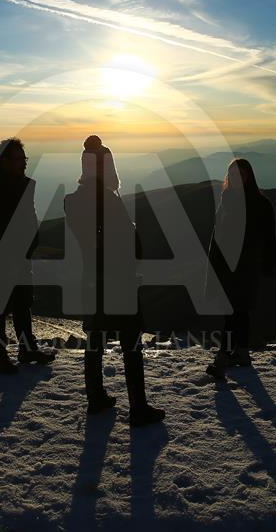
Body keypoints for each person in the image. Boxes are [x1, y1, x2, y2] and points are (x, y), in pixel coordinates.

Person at [65, 135, 165, 427]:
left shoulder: (73, 200)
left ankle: (95, 398)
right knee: (131, 343)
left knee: (94, 339)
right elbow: (131, 246)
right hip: (118, 281)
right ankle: (138, 407)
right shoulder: (110, 200)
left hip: (91, 279)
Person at [0, 138, 55, 374]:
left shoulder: (19, 186)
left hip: (19, 257)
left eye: (24, 158)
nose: (23, 163)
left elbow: (28, 221)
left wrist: (29, 246)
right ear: (4, 161)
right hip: (2, 259)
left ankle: (26, 349)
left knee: (22, 304)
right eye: (19, 159)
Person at [204, 158, 276, 379]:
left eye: (241, 174)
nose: (237, 179)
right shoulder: (226, 200)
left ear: (249, 177)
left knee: (234, 311)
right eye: (233, 174)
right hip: (228, 265)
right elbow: (218, 234)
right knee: (239, 311)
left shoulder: (260, 204)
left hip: (246, 266)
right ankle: (242, 353)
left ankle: (223, 357)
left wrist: (268, 263)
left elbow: (269, 238)